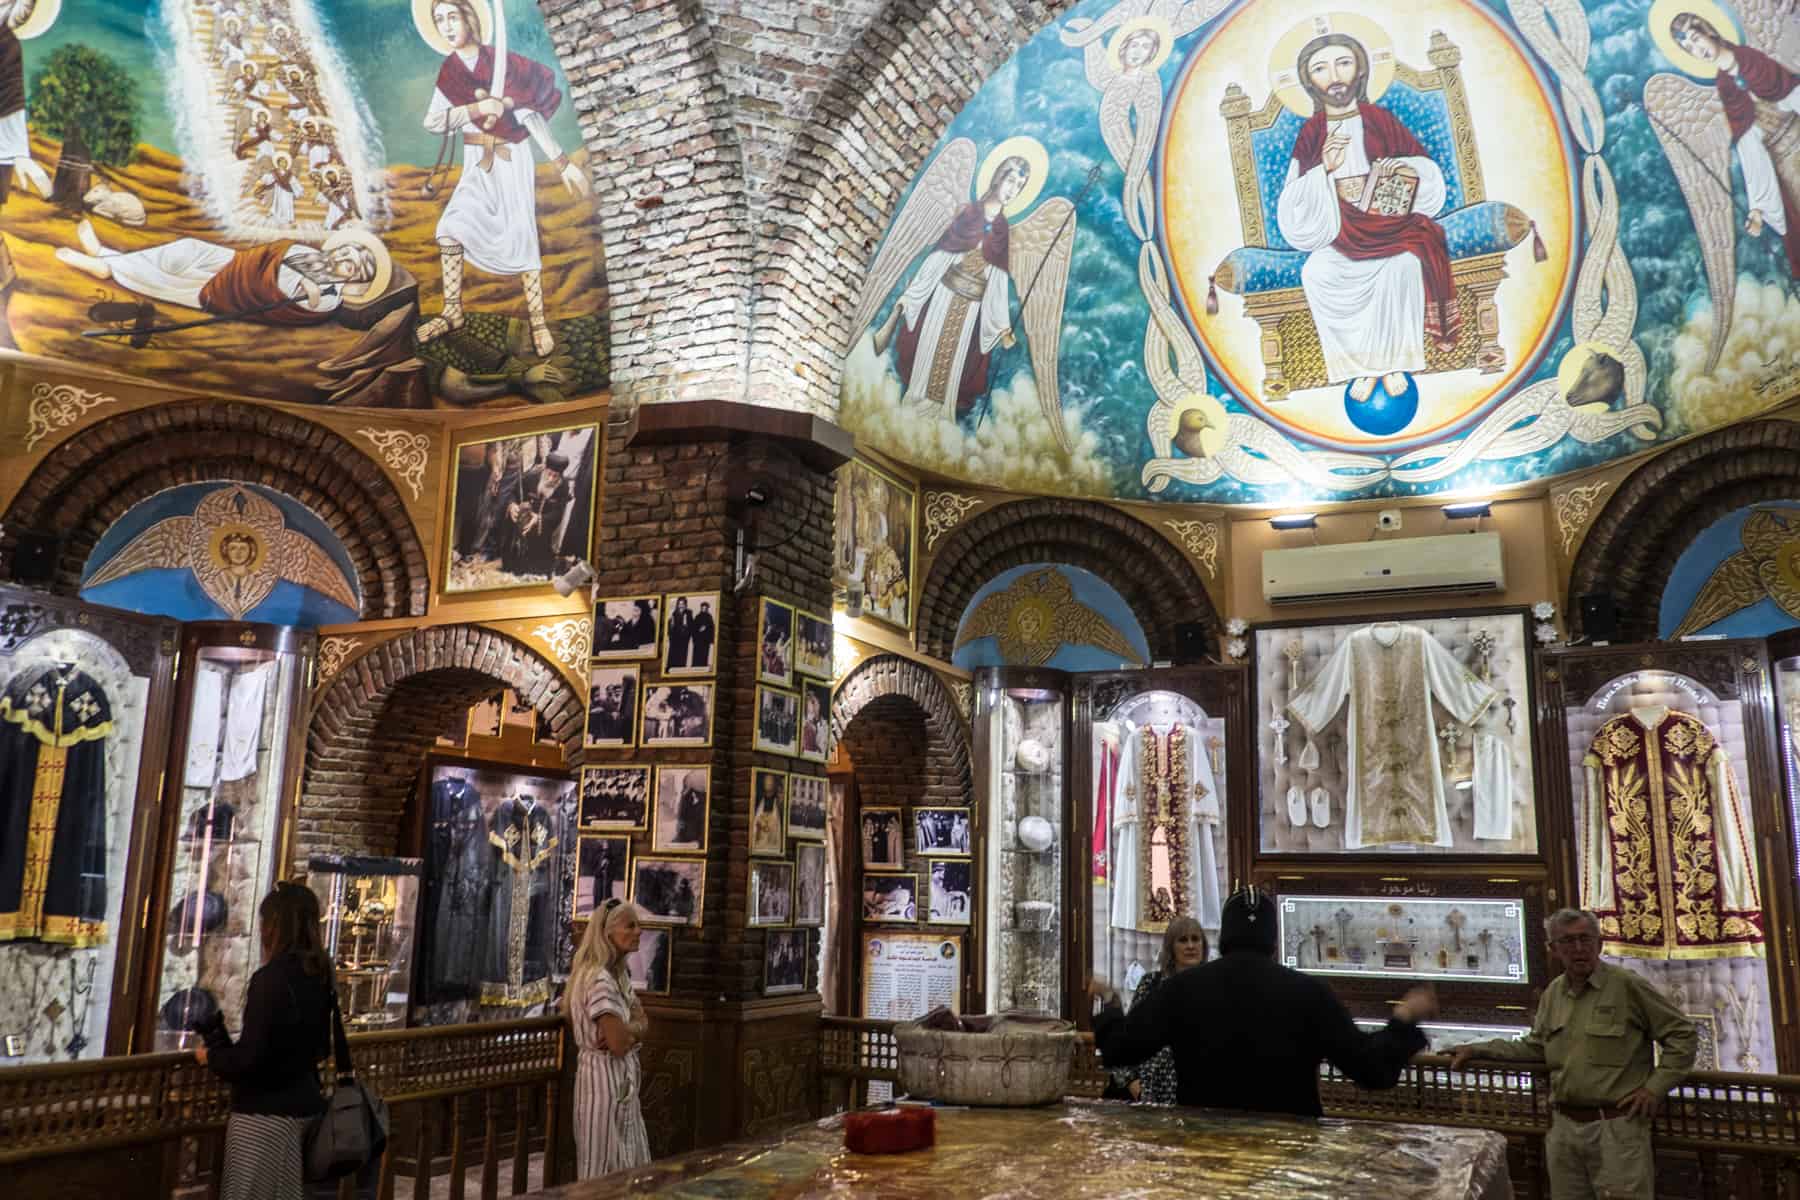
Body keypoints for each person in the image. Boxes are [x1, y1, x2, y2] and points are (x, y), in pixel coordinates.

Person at [1092, 886, 1434, 1117]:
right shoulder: (1308, 993)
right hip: (1288, 1160)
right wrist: (1403, 1018)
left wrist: (1109, 1003)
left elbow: (1120, 1048)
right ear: (1272, 938)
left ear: (1224, 936)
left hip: (1205, 1155)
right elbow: (1370, 1068)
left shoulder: (1183, 989)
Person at [1448, 909, 1695, 1200]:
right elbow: (1536, 1048)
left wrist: (1654, 1089)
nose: (1578, 949)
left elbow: (1682, 1035)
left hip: (1616, 1128)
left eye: (1584, 939)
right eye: (1566, 942)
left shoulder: (1627, 985)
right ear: (1553, 950)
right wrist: (1478, 1049)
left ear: (1599, 944)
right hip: (1564, 1129)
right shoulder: (1553, 994)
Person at [1275, 31, 1458, 400]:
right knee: (1317, 272)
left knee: (1405, 265)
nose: (1335, 75)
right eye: (1321, 69)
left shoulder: (1380, 119)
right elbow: (1293, 201)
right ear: (1310, 82)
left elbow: (1428, 175)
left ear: (1360, 70)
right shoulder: (1311, 133)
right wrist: (1323, 171)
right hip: (1339, 232)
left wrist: (1400, 166)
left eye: (1343, 63)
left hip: (1391, 227)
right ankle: (1357, 368)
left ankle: (1395, 364)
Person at [418, 0, 591, 358]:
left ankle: (538, 321)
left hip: (511, 160)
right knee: (450, 227)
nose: (446, 26)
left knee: (521, 235)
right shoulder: (449, 71)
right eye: (438, 20)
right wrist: (476, 109)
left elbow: (531, 115)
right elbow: (432, 123)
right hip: (475, 162)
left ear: (469, 19)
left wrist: (562, 163)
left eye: (452, 17)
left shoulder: (503, 63)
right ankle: (452, 312)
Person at [192, 882, 334, 1200]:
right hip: (306, 1110)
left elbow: (250, 1060)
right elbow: (321, 1047)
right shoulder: (322, 973)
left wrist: (210, 1057)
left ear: (273, 926)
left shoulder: (270, 979)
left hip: (266, 1120)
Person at [566, 898, 651, 1177]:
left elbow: (642, 1022)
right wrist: (630, 1032)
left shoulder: (618, 976)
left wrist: (632, 1031)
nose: (638, 931)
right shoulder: (599, 979)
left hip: (618, 1082)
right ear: (608, 933)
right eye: (630, 926)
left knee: (627, 1164)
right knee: (602, 1167)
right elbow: (617, 1044)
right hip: (603, 1084)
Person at [1107, 917, 1209, 1106]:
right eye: (1183, 940)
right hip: (1152, 1088)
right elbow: (1128, 1038)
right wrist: (1132, 1082)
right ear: (1171, 947)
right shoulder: (1151, 984)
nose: (1190, 946)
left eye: (1196, 939)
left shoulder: (1212, 986)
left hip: (1198, 1088)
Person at [666, 597, 693, 669]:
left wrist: (685, 623)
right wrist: (671, 625)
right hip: (675, 639)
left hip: (683, 639)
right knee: (672, 655)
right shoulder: (674, 613)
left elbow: (691, 626)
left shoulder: (689, 613)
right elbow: (670, 626)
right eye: (679, 604)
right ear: (677, 605)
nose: (681, 605)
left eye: (683, 604)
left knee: (682, 656)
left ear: (685, 605)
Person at [690, 601, 715, 670]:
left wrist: (706, 628)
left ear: (707, 608)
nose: (704, 609)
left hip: (705, 640)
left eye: (705, 608)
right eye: (702, 608)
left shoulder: (709, 617)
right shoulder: (697, 617)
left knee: (704, 654)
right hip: (698, 640)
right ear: (701, 608)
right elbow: (693, 628)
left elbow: (712, 627)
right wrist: (698, 630)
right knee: (697, 654)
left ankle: (703, 666)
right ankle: (695, 666)